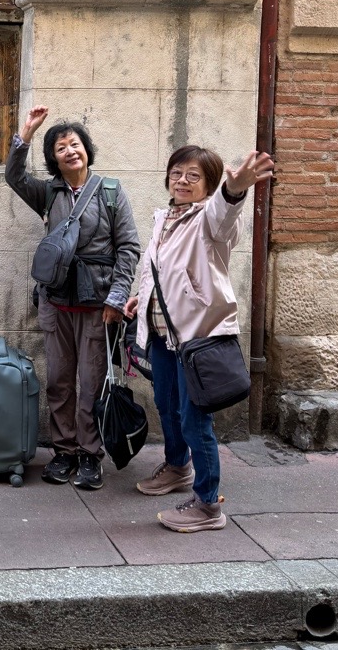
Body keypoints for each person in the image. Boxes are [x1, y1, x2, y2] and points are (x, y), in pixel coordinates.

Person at [124, 145, 275, 532]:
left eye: (194, 175)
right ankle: (178, 467)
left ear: (208, 184)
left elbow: (225, 215)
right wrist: (144, 298)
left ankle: (208, 505)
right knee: (166, 404)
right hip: (164, 336)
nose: (182, 180)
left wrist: (234, 190)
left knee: (195, 421)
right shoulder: (164, 218)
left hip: (197, 338)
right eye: (177, 173)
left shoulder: (209, 219)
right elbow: (162, 269)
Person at [5, 105, 141, 489]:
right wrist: (26, 134)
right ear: (54, 158)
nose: (70, 151)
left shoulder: (110, 192)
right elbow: (14, 176)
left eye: (75, 144)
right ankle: (64, 451)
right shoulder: (48, 193)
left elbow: (129, 248)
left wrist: (117, 298)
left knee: (92, 382)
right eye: (61, 147)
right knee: (59, 382)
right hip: (56, 302)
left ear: (86, 150)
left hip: (97, 305)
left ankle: (89, 454)